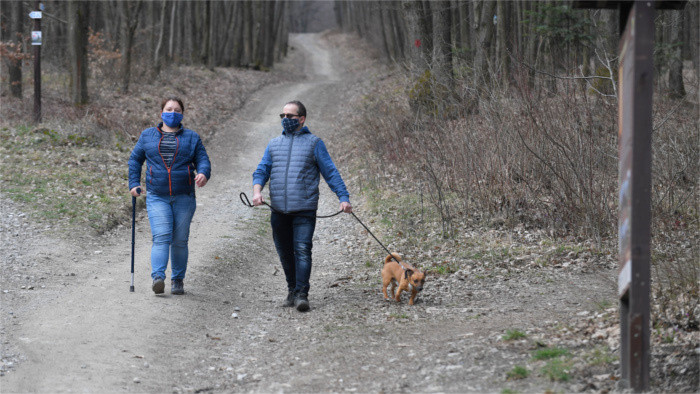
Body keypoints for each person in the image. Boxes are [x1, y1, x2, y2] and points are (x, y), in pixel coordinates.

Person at [252, 100, 352, 312]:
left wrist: (343, 197)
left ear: (302, 119)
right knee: (285, 252)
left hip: (304, 209)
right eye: (283, 116)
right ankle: (292, 290)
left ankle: (302, 294)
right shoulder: (273, 144)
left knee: (302, 250)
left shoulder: (315, 143)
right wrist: (257, 191)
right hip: (278, 209)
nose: (286, 120)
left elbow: (331, 172)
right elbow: (261, 170)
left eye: (290, 116)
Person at [128, 96, 211, 295]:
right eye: (169, 109)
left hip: (184, 196)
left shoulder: (192, 137)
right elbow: (135, 160)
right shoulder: (147, 135)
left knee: (180, 239)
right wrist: (134, 183)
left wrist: (203, 173)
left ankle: (178, 280)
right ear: (161, 112)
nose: (172, 113)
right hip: (157, 195)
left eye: (177, 110)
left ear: (182, 114)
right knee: (162, 236)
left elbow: (203, 160)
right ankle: (158, 277)